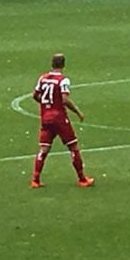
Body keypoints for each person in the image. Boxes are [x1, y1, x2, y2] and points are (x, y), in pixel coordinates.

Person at [30, 53, 94, 189]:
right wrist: (77, 111)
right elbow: (64, 99)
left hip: (46, 117)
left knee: (44, 148)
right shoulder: (63, 80)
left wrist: (45, 104)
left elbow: (35, 95)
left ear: (52, 64)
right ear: (63, 65)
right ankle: (82, 179)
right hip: (59, 118)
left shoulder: (42, 78)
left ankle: (35, 180)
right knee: (73, 147)